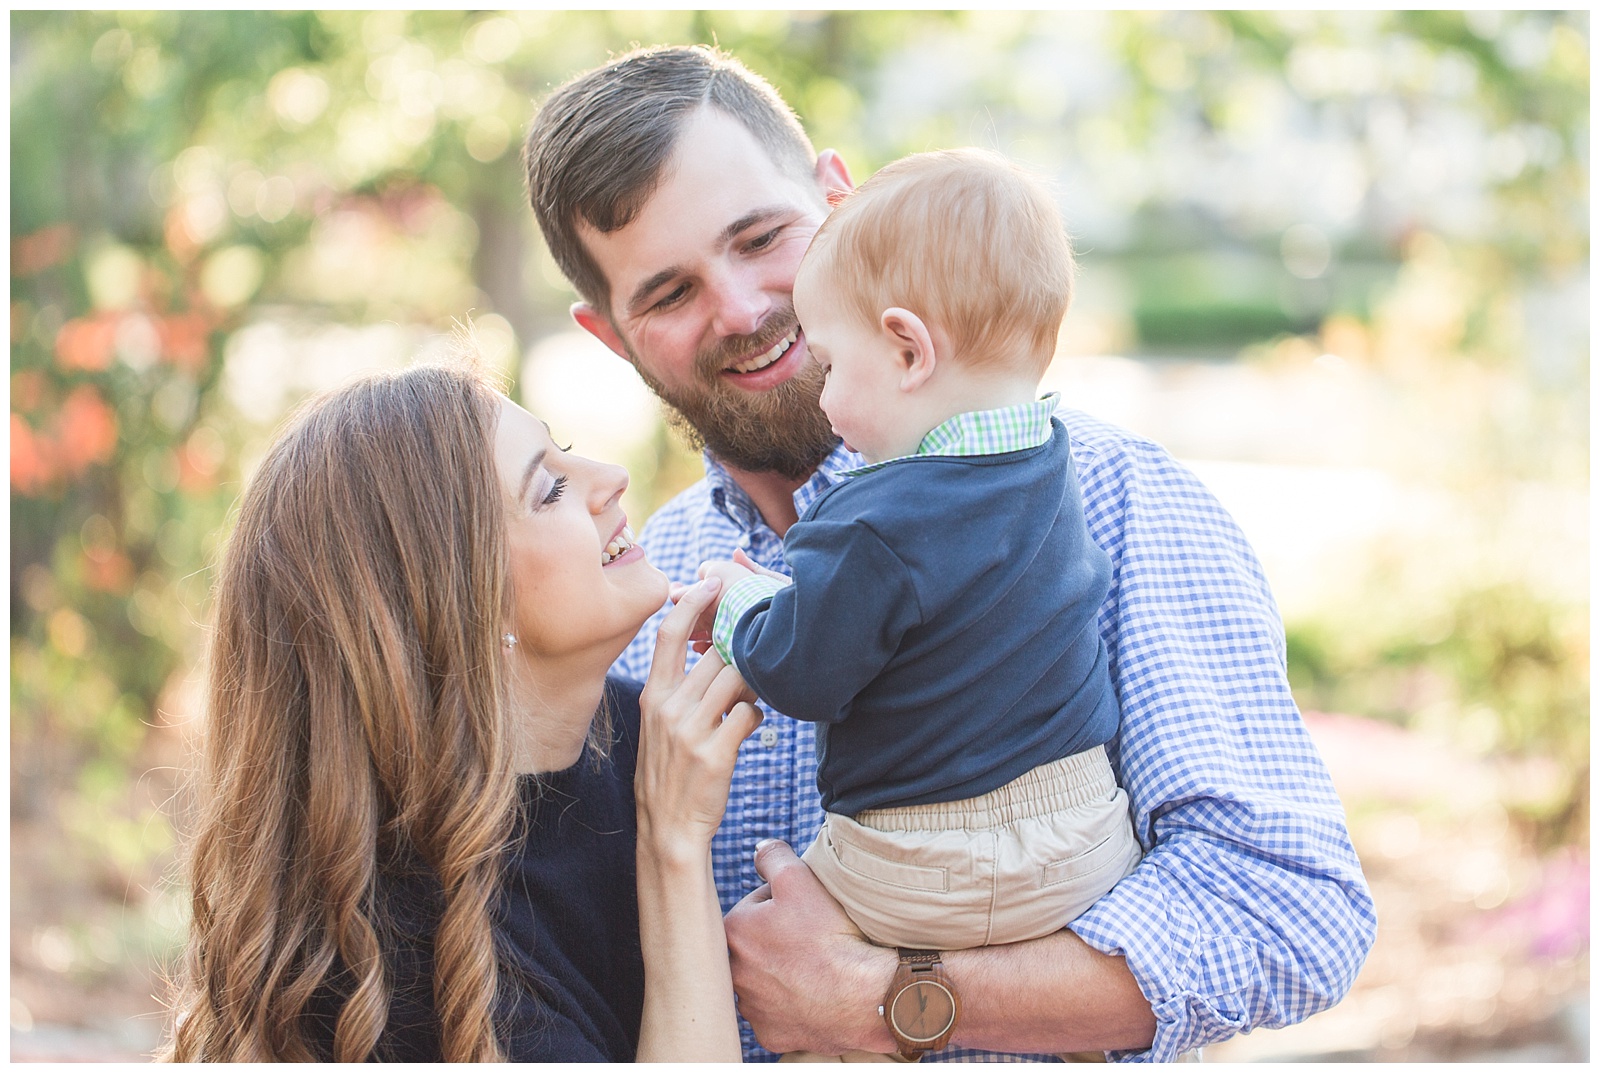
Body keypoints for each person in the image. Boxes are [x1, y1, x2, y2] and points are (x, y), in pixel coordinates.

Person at [523, 44, 1377, 1062]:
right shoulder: (634, 597)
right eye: (669, 294)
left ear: (839, 201)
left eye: (761, 237)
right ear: (610, 336)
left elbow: (1288, 912)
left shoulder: (1110, 496)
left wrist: (894, 998)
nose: (744, 310)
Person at [161, 360, 757, 1061]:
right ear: (462, 606)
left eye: (565, 449)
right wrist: (674, 844)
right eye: (550, 489)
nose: (610, 477)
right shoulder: (392, 976)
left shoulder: (642, 735)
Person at [681, 149, 1144, 1015]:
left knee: (780, 934)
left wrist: (742, 602)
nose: (825, 401)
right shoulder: (1056, 466)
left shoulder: (871, 518)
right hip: (1086, 844)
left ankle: (829, 1032)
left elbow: (803, 672)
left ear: (906, 349)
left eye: (830, 365)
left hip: (913, 867)